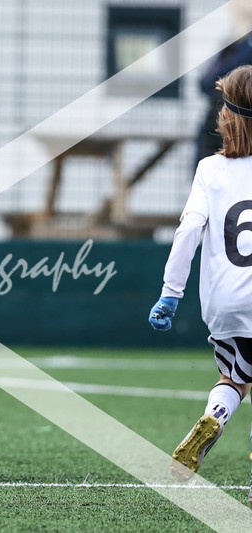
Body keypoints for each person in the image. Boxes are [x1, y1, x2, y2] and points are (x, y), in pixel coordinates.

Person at [150, 65, 252, 480]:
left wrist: (170, 292)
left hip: (225, 302)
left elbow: (188, 229)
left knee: (233, 377)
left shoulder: (210, 169)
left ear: (227, 116)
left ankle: (216, 414)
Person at [193, 0, 252, 169]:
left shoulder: (244, 47)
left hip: (239, 128)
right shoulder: (233, 44)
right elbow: (207, 81)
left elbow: (213, 79)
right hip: (218, 124)